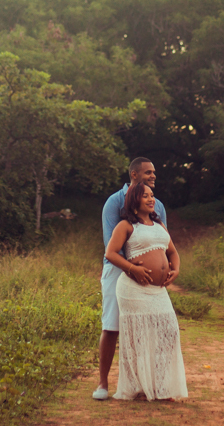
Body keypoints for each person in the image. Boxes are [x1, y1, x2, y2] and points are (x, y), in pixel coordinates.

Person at [104, 181, 187, 401]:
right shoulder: (125, 226)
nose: (151, 199)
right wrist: (133, 268)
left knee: (168, 332)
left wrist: (175, 269)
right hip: (133, 289)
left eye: (152, 195)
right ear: (134, 201)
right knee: (138, 339)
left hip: (157, 291)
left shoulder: (159, 225)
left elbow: (173, 252)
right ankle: (139, 388)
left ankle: (161, 386)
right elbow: (110, 253)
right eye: (145, 196)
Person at [93, 157, 168, 401]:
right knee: (112, 325)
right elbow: (111, 244)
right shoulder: (114, 202)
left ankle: (147, 384)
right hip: (119, 271)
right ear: (134, 175)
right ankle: (103, 383)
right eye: (148, 172)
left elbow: (163, 240)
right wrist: (131, 268)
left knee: (148, 327)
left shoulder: (159, 206)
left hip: (147, 278)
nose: (153, 176)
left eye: (154, 172)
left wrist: (166, 267)